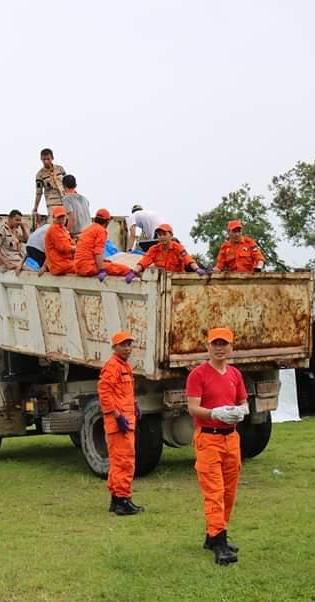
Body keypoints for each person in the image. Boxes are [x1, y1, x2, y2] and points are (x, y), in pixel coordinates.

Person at [186, 327, 248, 565]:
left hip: (231, 439)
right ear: (208, 346)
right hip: (208, 438)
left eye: (224, 344)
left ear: (231, 347)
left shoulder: (235, 374)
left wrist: (239, 412)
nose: (220, 348)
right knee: (214, 492)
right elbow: (193, 408)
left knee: (229, 492)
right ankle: (219, 541)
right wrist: (214, 413)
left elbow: (244, 402)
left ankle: (215, 534)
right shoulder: (198, 375)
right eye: (216, 343)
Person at [99, 331, 143, 515]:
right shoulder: (112, 367)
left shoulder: (124, 366)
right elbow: (105, 393)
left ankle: (118, 499)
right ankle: (122, 500)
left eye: (129, 345)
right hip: (119, 423)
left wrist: (134, 405)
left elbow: (123, 392)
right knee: (124, 462)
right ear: (114, 347)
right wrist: (117, 416)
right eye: (123, 345)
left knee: (120, 461)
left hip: (125, 420)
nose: (127, 348)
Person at [124, 224, 209, 282]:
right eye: (159, 235)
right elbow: (144, 261)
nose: (162, 237)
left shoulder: (178, 248)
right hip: (161, 283)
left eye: (164, 234)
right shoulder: (154, 249)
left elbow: (188, 259)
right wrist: (134, 272)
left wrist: (197, 269)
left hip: (177, 281)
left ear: (171, 235)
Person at [74, 209, 132, 280]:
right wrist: (102, 270)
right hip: (88, 268)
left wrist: (103, 261)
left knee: (107, 264)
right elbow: (98, 253)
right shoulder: (101, 231)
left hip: (78, 267)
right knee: (121, 268)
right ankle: (132, 273)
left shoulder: (88, 229)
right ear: (107, 222)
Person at [32, 148, 66, 217]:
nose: (46, 161)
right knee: (55, 220)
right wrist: (35, 208)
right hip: (52, 203)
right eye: (44, 159)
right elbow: (39, 193)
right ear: (41, 159)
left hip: (64, 200)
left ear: (52, 158)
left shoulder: (60, 169)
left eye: (48, 159)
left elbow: (67, 184)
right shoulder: (40, 175)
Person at [43, 208, 75, 275]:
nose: (61, 220)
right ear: (53, 218)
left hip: (64, 264)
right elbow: (64, 248)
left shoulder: (62, 229)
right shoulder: (54, 229)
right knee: (86, 266)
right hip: (60, 265)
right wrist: (79, 248)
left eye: (63, 217)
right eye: (59, 218)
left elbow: (71, 244)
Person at [61, 174, 91, 239]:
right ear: (75, 185)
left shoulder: (66, 199)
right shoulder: (85, 199)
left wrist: (66, 233)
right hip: (89, 234)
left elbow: (72, 219)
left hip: (78, 236)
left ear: (63, 186)